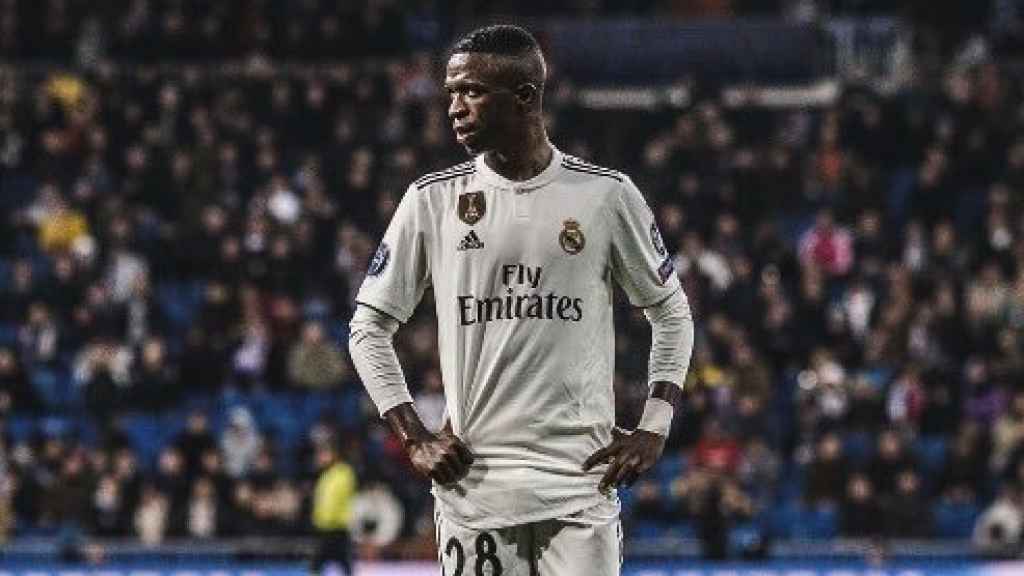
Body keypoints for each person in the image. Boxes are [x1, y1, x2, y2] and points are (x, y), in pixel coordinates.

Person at [348, 24, 694, 576]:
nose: (455, 107)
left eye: (473, 91)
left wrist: (654, 425)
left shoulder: (606, 195)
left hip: (581, 487)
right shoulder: (432, 200)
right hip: (474, 491)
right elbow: (367, 329)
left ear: (526, 96)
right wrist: (414, 438)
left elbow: (671, 312)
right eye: (451, 93)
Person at [311, 443, 357, 576]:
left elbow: (334, 501)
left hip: (337, 528)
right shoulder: (327, 475)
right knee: (341, 564)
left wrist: (329, 519)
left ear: (333, 455)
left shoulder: (344, 473)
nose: (319, 458)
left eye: (323, 454)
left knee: (319, 564)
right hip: (325, 528)